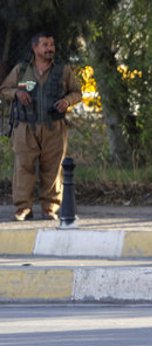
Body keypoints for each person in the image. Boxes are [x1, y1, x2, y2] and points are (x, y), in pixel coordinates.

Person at [0, 32, 81, 221]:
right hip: (25, 127)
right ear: (35, 48)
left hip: (54, 127)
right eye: (45, 45)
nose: (50, 48)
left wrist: (67, 101)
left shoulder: (63, 70)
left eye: (52, 44)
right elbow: (4, 90)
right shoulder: (22, 70)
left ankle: (49, 208)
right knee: (23, 167)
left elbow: (77, 92)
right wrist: (17, 94)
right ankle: (23, 208)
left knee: (52, 169)